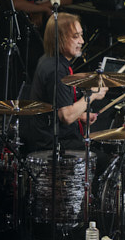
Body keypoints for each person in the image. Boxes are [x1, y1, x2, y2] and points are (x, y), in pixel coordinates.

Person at [25, 13, 107, 153]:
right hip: (54, 146)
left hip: (52, 138)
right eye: (75, 36)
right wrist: (92, 94)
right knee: (106, 159)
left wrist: (79, 115)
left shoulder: (49, 60)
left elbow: (55, 109)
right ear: (59, 38)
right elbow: (66, 116)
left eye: (81, 35)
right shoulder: (56, 70)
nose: (82, 41)